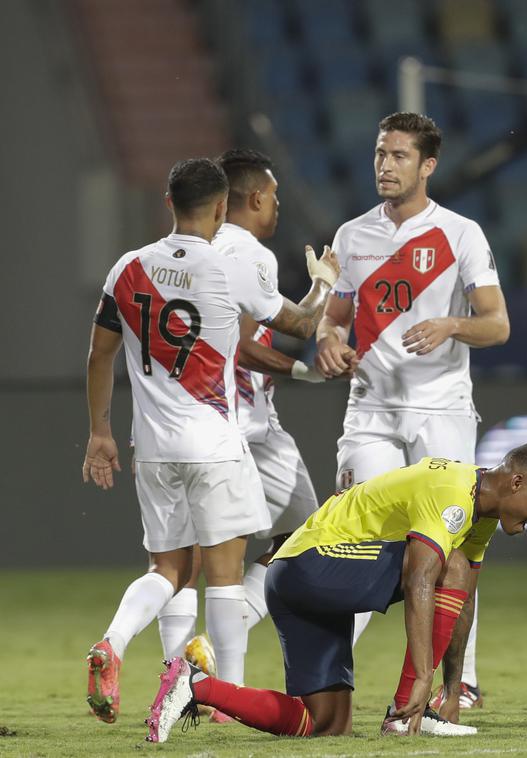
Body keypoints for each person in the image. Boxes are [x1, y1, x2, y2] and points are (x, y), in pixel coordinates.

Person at [82, 157, 341, 724]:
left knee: (169, 570)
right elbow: (300, 324)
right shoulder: (227, 268)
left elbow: (100, 354)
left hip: (150, 447)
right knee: (226, 577)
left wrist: (100, 430)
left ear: (167, 201)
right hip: (216, 442)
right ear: (223, 209)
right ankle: (227, 699)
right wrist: (323, 281)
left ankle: (115, 644)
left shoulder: (127, 267)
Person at [145, 443, 527, 743]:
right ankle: (404, 715)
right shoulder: (454, 493)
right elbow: (422, 578)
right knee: (449, 563)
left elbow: (463, 598)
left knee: (326, 723)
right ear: (517, 482)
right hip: (312, 564)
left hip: (294, 578)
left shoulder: (483, 515)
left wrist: (453, 690)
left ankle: (195, 686)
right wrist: (423, 679)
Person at [315, 111, 510, 709]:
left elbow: (498, 325)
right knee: (363, 541)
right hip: (371, 408)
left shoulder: (460, 234)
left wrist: (452, 324)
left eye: (399, 156)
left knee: (450, 549)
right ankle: (331, 680)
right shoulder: (352, 237)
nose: (385, 166)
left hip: (442, 409)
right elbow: (334, 315)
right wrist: (326, 336)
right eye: (380, 153)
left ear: (428, 165)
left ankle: (460, 680)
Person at [152, 149, 334, 684]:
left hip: (188, 424)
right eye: (274, 196)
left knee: (186, 560)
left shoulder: (192, 252)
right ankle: (217, 665)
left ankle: (179, 667)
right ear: (254, 198)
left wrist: (299, 375)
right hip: (244, 425)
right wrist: (324, 283)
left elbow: (231, 339)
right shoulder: (250, 253)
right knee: (305, 535)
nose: (277, 205)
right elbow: (299, 325)